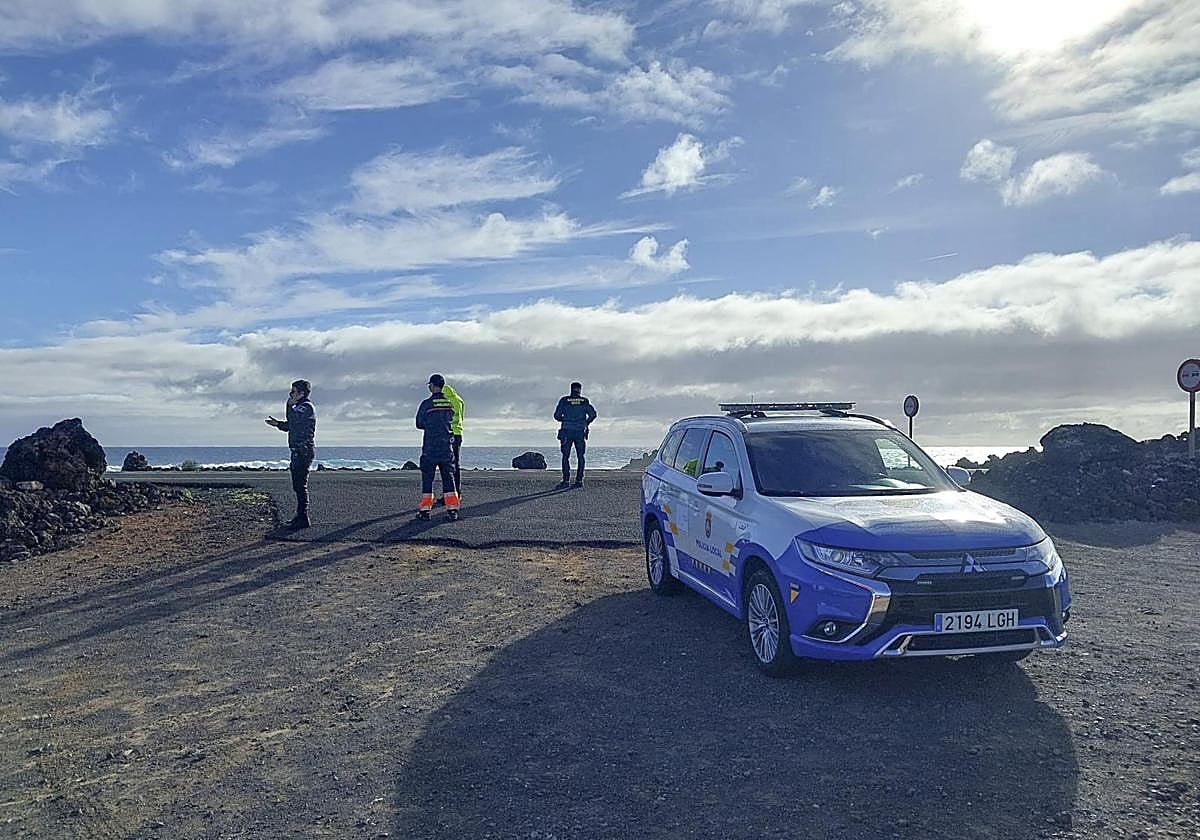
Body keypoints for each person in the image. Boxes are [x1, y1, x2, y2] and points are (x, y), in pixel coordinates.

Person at [266, 379, 316, 529]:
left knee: (300, 485)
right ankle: (300, 516)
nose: (290, 394)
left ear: (301, 393)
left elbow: (293, 420)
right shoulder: (300, 407)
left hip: (303, 450)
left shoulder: (306, 407)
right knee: (297, 485)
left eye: (293, 392)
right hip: (298, 451)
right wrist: (278, 425)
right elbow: (291, 425)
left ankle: (303, 517)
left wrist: (288, 405)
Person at [416, 374, 460, 520]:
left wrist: (431, 425)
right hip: (447, 446)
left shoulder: (427, 404)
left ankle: (425, 511)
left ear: (433, 386)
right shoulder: (449, 404)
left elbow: (419, 423)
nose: (429, 386)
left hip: (431, 447)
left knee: (428, 479)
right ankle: (453, 510)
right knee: (449, 478)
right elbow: (452, 418)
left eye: (430, 385)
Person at [554, 381, 597, 489]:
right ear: (580, 389)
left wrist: (565, 419)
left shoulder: (564, 400)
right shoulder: (584, 401)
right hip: (580, 432)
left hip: (567, 431)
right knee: (580, 456)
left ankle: (566, 480)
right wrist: (586, 422)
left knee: (565, 456)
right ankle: (579, 480)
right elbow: (593, 414)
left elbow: (557, 416)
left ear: (571, 389)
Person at [436, 381, 465, 506]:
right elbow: (461, 417)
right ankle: (456, 494)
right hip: (458, 433)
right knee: (455, 465)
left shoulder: (443, 400)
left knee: (446, 466)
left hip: (447, 434)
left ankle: (448, 495)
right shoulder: (459, 400)